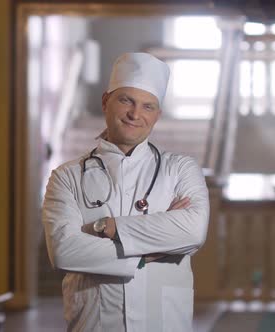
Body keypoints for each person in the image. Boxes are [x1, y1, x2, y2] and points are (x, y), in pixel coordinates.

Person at [41, 52, 210, 332]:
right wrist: (148, 252)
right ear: (106, 101)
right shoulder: (67, 176)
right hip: (95, 322)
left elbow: (193, 231)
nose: (135, 114)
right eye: (126, 100)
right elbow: (63, 251)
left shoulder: (180, 169)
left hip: (164, 321)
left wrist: (109, 227)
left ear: (158, 115)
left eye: (147, 106)